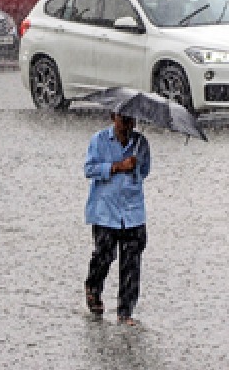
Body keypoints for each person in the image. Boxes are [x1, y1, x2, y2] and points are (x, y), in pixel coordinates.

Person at [83, 111, 151, 326]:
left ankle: (125, 311)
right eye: (123, 120)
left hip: (133, 212)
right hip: (106, 212)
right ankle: (93, 288)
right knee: (104, 255)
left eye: (131, 120)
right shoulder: (99, 140)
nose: (127, 125)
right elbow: (89, 169)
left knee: (131, 263)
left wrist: (135, 166)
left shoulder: (141, 143)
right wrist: (116, 167)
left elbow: (145, 171)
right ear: (113, 118)